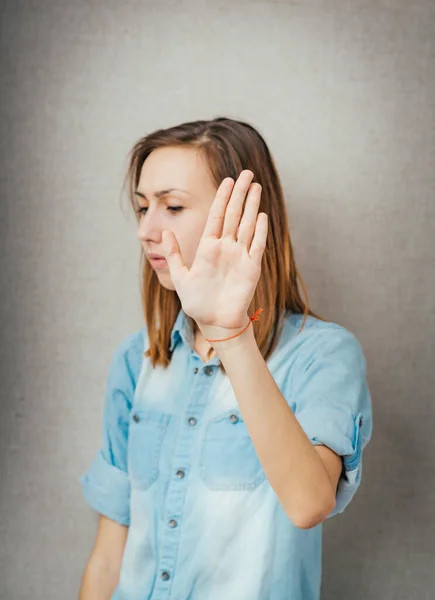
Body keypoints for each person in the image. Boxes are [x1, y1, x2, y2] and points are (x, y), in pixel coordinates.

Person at [78, 117, 373, 600]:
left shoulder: (324, 356)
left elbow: (308, 504)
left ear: (241, 216)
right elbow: (109, 555)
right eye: (141, 207)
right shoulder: (137, 361)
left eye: (172, 206)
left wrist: (231, 335)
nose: (146, 230)